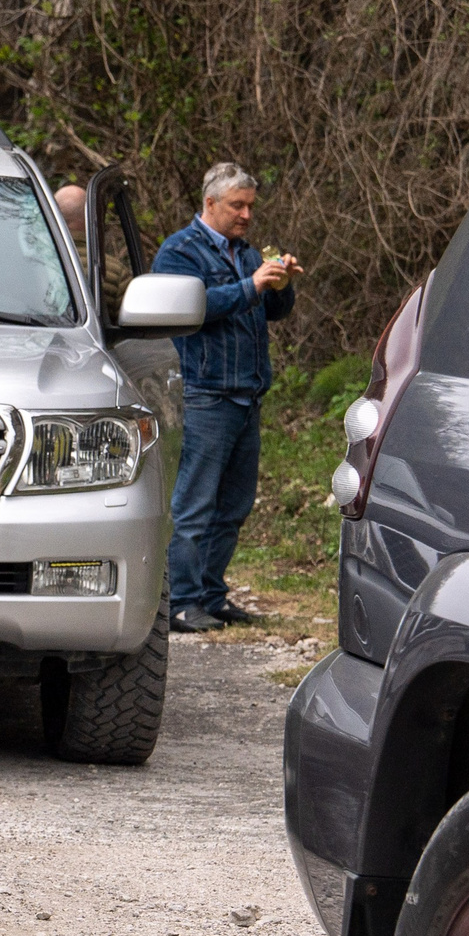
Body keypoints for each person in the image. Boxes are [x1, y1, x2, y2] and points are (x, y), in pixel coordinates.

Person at [150, 163, 303, 631]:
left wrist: (282, 283)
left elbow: (273, 310)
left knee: (233, 505)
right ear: (210, 203)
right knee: (194, 504)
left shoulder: (246, 252)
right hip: (205, 392)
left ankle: (213, 596)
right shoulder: (179, 252)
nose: (246, 215)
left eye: (251, 206)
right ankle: (181, 601)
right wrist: (250, 285)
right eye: (238, 205)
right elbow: (194, 308)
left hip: (247, 393)